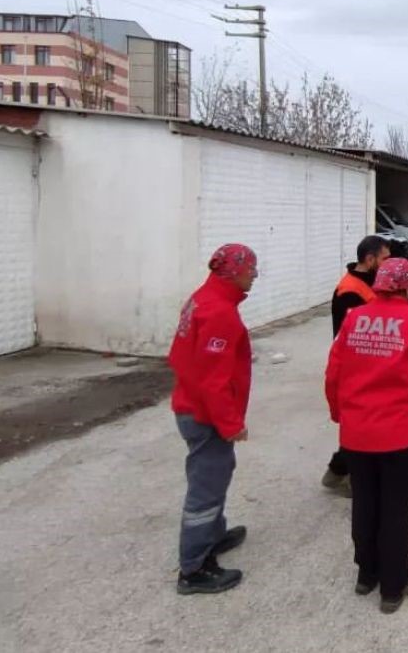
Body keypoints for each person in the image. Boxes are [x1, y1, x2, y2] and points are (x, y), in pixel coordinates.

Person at [325, 258, 408, 614]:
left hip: (358, 433)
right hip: (401, 435)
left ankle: (366, 574)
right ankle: (394, 586)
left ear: (380, 283)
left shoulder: (353, 319)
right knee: (396, 509)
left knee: (365, 502)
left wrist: (339, 413)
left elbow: (334, 370)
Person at [168, 243, 258, 595]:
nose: (254, 274)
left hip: (194, 406)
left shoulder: (203, 298)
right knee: (205, 488)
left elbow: (181, 356)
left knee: (217, 474)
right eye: (251, 268)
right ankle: (194, 568)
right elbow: (213, 380)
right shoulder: (219, 312)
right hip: (204, 413)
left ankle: (213, 535)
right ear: (233, 271)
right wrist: (231, 423)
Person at [323, 235, 391, 496]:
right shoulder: (350, 291)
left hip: (373, 364)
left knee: (365, 424)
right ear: (370, 259)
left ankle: (338, 472)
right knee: (363, 427)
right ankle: (351, 478)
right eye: (384, 259)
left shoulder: (372, 283)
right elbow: (355, 337)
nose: (387, 264)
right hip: (357, 367)